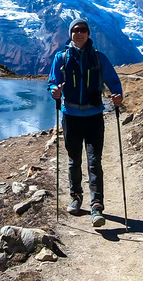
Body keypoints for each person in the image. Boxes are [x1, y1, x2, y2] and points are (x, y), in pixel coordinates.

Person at [47, 17, 124, 227]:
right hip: (70, 116)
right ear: (70, 34)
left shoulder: (99, 58)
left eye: (83, 30)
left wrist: (117, 95)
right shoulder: (61, 58)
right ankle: (76, 197)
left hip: (93, 117)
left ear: (88, 34)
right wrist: (54, 91)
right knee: (74, 160)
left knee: (94, 161)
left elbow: (113, 81)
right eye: (75, 30)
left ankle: (97, 205)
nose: (79, 33)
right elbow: (52, 81)